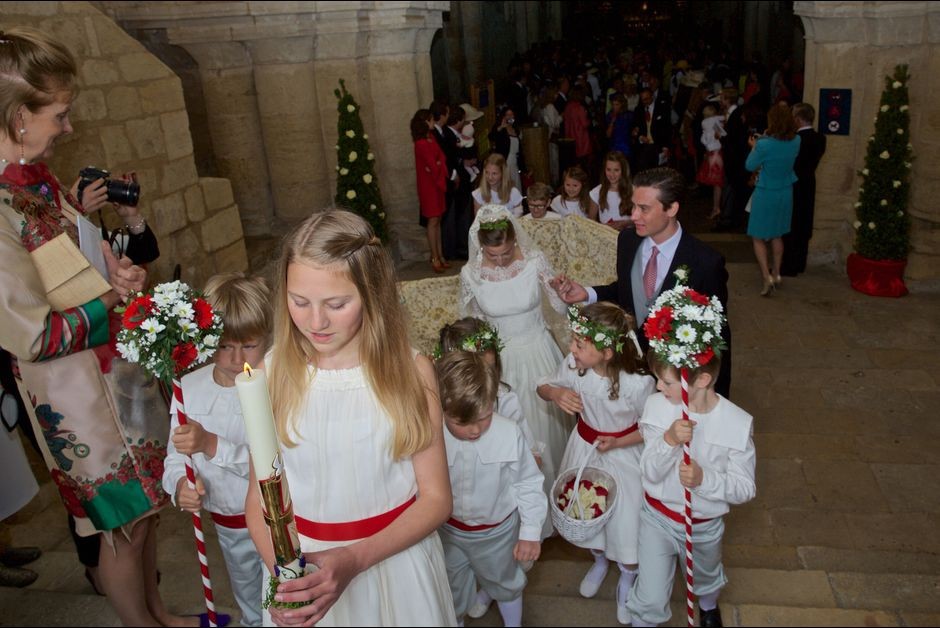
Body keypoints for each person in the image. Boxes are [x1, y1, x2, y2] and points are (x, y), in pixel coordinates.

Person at [0, 27, 204, 627]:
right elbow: (29, 333)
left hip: (117, 373)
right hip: (73, 393)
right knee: (117, 522)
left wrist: (113, 267)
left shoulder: (36, 184)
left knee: (146, 511)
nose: (67, 128)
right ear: (18, 118)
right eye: (58, 115)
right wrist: (108, 303)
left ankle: (161, 614)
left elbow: (75, 260)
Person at [246, 210, 456, 626]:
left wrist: (355, 558)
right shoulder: (273, 373)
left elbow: (437, 500)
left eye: (337, 304)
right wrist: (285, 578)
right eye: (299, 301)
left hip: (390, 564)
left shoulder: (410, 372)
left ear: (372, 295)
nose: (315, 322)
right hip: (302, 566)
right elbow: (258, 499)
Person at [551, 168, 732, 399]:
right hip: (628, 372)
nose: (633, 215)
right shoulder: (627, 241)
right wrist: (587, 293)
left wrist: (718, 397)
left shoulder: (705, 262)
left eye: (643, 209)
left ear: (672, 209)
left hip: (673, 384)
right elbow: (627, 291)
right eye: (633, 206)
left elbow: (718, 337)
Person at [163, 272, 272, 628]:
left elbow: (275, 462)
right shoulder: (188, 389)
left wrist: (211, 444)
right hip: (227, 523)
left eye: (250, 344)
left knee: (285, 593)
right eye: (225, 345)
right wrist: (179, 485)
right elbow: (175, 456)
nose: (237, 358)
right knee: (249, 597)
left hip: (277, 520)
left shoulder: (275, 384)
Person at [537, 302, 655, 624]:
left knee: (626, 522)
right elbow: (543, 384)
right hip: (586, 450)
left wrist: (619, 441)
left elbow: (651, 427)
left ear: (607, 353)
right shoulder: (576, 365)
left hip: (624, 453)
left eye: (579, 344)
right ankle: (600, 560)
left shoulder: (636, 383)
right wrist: (555, 394)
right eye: (574, 341)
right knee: (588, 513)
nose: (572, 348)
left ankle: (628, 577)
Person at [625, 352, 756, 628]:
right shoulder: (657, 406)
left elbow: (745, 488)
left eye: (666, 382)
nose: (659, 387)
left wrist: (704, 479)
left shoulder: (737, 423)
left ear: (703, 380)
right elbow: (649, 471)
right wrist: (668, 440)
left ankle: (708, 607)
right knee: (649, 600)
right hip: (657, 518)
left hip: (703, 525)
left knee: (704, 578)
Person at [459, 204, 573, 517]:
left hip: (538, 351)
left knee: (548, 429)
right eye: (492, 254)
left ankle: (556, 507)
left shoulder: (535, 261)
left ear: (514, 241)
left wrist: (560, 292)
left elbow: (560, 311)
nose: (499, 260)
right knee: (512, 433)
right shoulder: (470, 273)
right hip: (500, 362)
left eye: (506, 253)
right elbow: (473, 325)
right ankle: (520, 512)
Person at [436, 351, 546, 628]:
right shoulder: (431, 433)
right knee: (451, 588)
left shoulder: (509, 433)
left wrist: (530, 533)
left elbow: (528, 483)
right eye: (462, 423)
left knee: (505, 582)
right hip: (448, 531)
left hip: (496, 532)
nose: (474, 430)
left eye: (484, 417)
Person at [745, 102, 801, 296]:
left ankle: (765, 276)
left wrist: (754, 146)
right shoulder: (797, 141)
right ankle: (777, 273)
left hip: (766, 192)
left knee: (758, 237)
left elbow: (750, 166)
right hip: (785, 191)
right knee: (778, 234)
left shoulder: (764, 144)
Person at [781, 103, 826, 276]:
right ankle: (800, 263)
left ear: (797, 119)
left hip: (792, 183)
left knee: (790, 223)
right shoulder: (820, 138)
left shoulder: (795, 140)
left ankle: (788, 265)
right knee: (804, 222)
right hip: (809, 183)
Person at [411, 109, 449, 273]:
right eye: (431, 120)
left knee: (438, 219)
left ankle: (440, 255)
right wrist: (437, 165)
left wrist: (438, 164)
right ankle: (434, 257)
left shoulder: (431, 138)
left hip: (435, 183)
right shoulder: (420, 143)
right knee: (432, 221)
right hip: (428, 186)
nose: (433, 122)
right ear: (425, 122)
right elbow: (433, 165)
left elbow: (441, 157)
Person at [590, 151, 633, 231]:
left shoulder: (633, 190)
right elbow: (590, 222)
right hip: (605, 235)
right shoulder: (596, 192)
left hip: (628, 235)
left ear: (623, 171)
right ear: (604, 170)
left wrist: (626, 223)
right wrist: (604, 227)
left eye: (616, 170)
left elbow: (642, 218)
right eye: (608, 170)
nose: (612, 174)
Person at [697, 104, 726, 220]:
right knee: (718, 183)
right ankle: (717, 207)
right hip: (717, 153)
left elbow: (703, 139)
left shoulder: (705, 123)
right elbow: (723, 134)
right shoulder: (715, 121)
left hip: (711, 154)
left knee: (716, 183)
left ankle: (716, 208)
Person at [489, 105, 524, 192]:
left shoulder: (516, 129)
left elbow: (520, 151)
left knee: (516, 187)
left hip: (514, 163)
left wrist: (524, 168)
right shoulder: (501, 129)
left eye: (511, 115)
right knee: (505, 187)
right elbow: (491, 137)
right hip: (505, 162)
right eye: (507, 115)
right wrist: (501, 127)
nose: (510, 117)